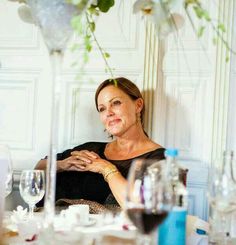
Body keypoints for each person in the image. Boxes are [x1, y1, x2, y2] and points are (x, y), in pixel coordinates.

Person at [35, 77, 165, 208]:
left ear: (138, 105)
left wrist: (106, 169)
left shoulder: (158, 159)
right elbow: (38, 170)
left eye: (116, 103)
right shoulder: (90, 150)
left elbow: (140, 208)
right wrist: (61, 165)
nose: (108, 112)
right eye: (102, 109)